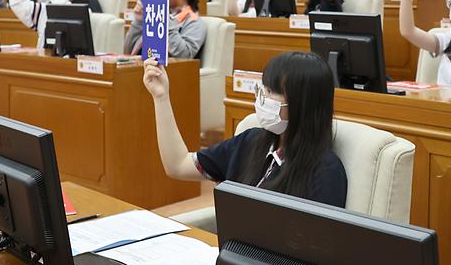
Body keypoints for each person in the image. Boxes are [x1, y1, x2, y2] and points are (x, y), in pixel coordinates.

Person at [141, 50, 347, 207]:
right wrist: (161, 97)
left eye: (272, 92)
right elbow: (177, 165)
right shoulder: (250, 141)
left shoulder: (325, 171)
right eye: (264, 89)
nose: (263, 97)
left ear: (304, 104)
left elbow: (316, 250)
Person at [124, 0, 207, 59]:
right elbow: (128, 51)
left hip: (167, 71)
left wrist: (164, 20)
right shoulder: (156, 15)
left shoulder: (194, 22)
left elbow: (184, 55)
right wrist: (138, 21)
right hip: (141, 67)